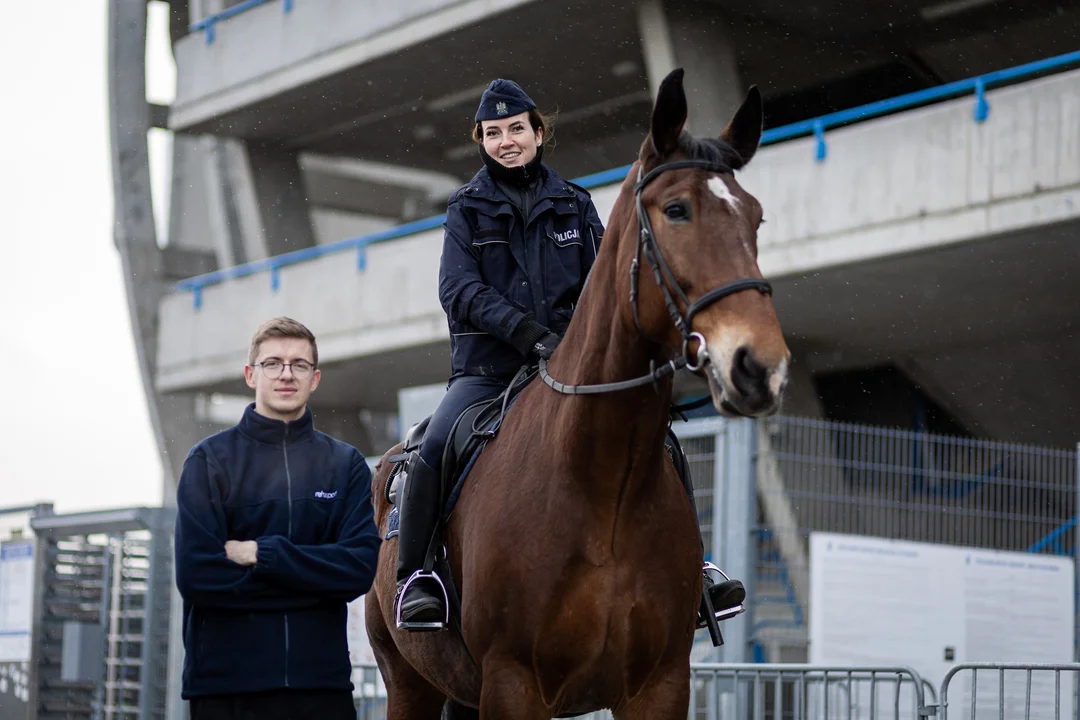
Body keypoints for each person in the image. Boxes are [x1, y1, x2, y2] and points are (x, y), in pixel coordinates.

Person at [394, 79, 745, 633]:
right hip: (489, 372)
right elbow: (459, 291)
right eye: (492, 133)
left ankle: (696, 569)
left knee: (666, 444)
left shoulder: (575, 204)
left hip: (570, 367)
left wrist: (587, 344)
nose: (505, 140)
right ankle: (417, 577)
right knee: (435, 446)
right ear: (481, 142)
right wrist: (530, 333)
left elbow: (604, 284)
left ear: (538, 132)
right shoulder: (466, 208)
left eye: (515, 129)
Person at [174, 317, 381, 720]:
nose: (286, 374)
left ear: (315, 378)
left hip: (321, 690)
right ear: (251, 374)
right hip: (227, 691)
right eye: (273, 363)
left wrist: (263, 555)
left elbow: (357, 570)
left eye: (299, 365)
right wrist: (316, 583)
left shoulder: (345, 466)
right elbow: (197, 576)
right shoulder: (209, 461)